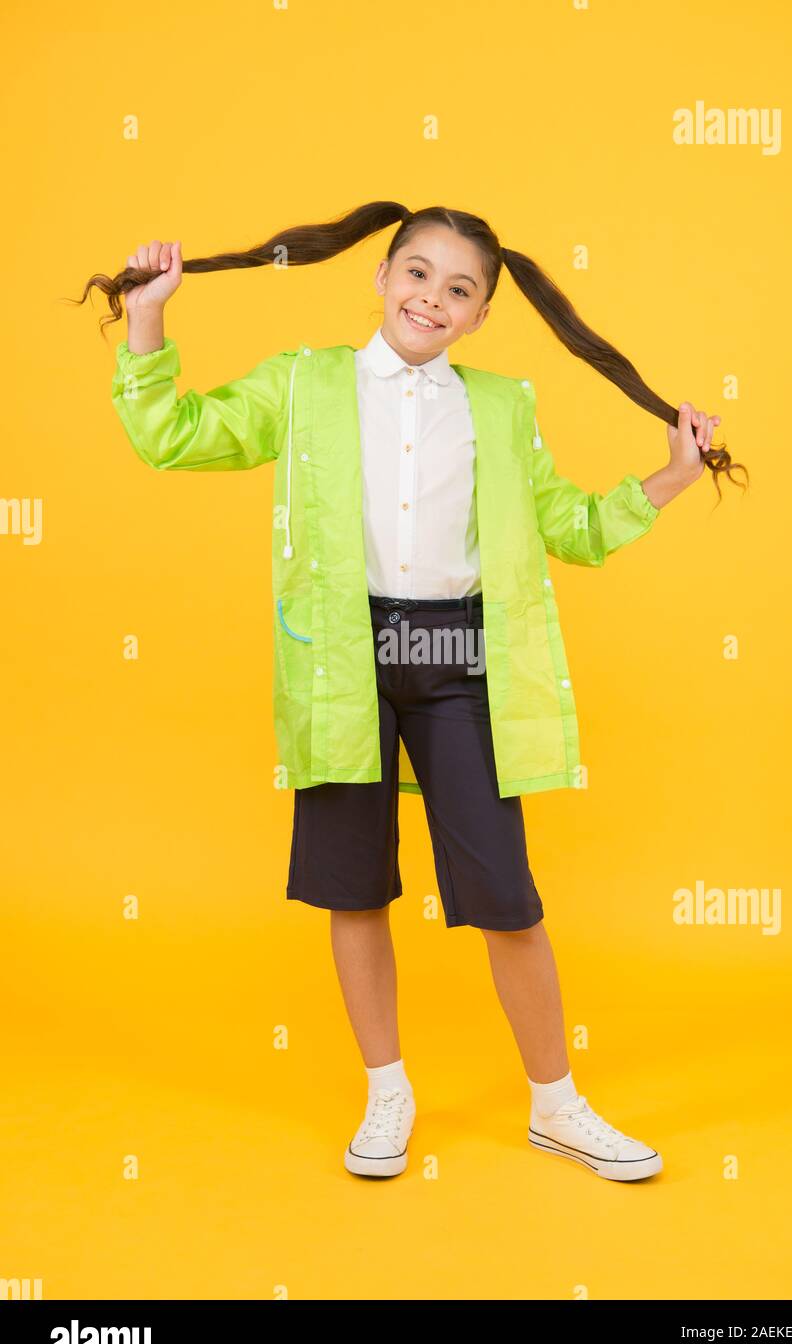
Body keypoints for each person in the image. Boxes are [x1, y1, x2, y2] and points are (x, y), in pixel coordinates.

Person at [81, 202, 747, 1183]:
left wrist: (674, 479)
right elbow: (175, 436)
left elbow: (568, 524)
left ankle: (556, 1104)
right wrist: (147, 319)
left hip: (458, 658)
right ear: (381, 278)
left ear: (480, 316)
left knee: (505, 895)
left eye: (459, 288)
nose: (431, 297)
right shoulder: (305, 384)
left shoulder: (502, 405)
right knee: (355, 884)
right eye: (417, 273)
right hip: (340, 657)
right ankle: (386, 1088)